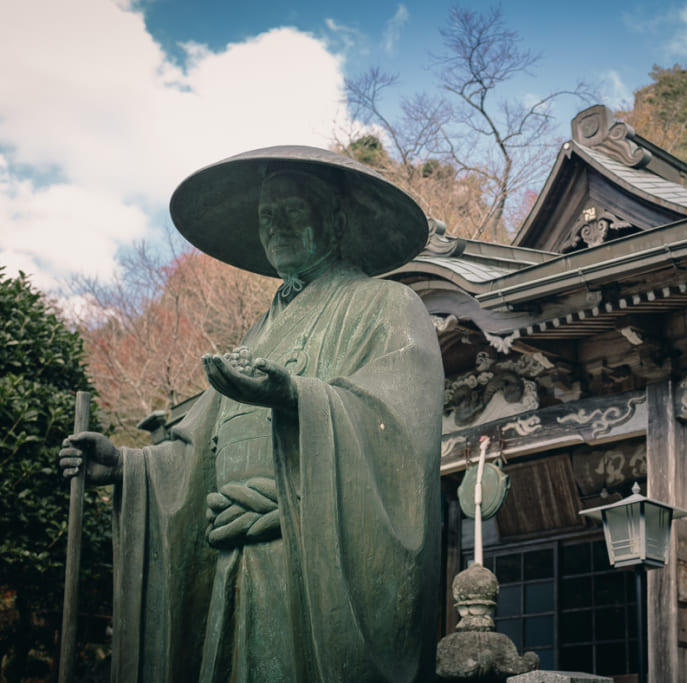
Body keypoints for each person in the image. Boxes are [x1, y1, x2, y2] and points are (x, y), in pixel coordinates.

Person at [59, 146, 443, 682]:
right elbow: (196, 452)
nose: (276, 226)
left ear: (335, 220)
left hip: (304, 564)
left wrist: (296, 398)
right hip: (234, 563)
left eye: (292, 211)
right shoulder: (259, 332)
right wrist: (126, 467)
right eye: (267, 215)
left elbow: (402, 429)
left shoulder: (386, 306)